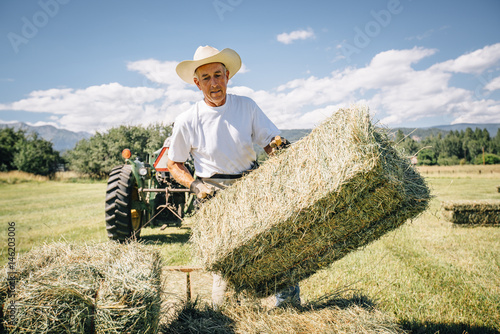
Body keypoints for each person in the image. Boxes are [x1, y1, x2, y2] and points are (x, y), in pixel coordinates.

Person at [167, 45, 300, 308]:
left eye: (218, 75)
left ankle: (288, 307)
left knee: (276, 246)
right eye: (206, 78)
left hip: (252, 188)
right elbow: (174, 164)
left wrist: (279, 146)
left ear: (228, 76)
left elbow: (269, 143)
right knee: (225, 262)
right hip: (212, 195)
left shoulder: (247, 106)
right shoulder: (187, 119)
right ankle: (225, 314)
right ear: (196, 83)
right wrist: (195, 185)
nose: (214, 83)